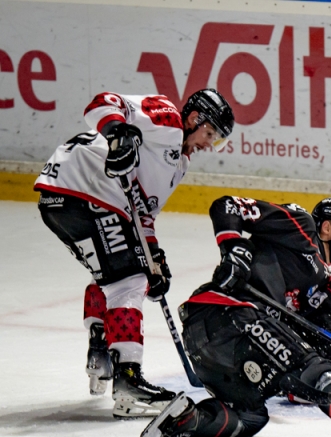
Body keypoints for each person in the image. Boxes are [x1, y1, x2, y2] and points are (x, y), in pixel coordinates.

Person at [135, 196, 331, 437]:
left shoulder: (319, 290)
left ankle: (188, 419)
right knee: (311, 368)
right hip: (228, 313)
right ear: (327, 227)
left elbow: (325, 342)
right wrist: (233, 249)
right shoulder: (302, 226)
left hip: (212, 345)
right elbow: (227, 206)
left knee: (250, 416)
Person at [34, 88, 235, 418]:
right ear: (195, 118)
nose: (208, 144)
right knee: (127, 281)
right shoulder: (167, 119)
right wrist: (118, 135)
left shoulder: (178, 165)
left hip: (68, 198)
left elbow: (141, 214)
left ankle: (100, 349)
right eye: (210, 133)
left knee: (115, 275)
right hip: (85, 188)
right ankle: (128, 379)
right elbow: (103, 102)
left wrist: (154, 257)